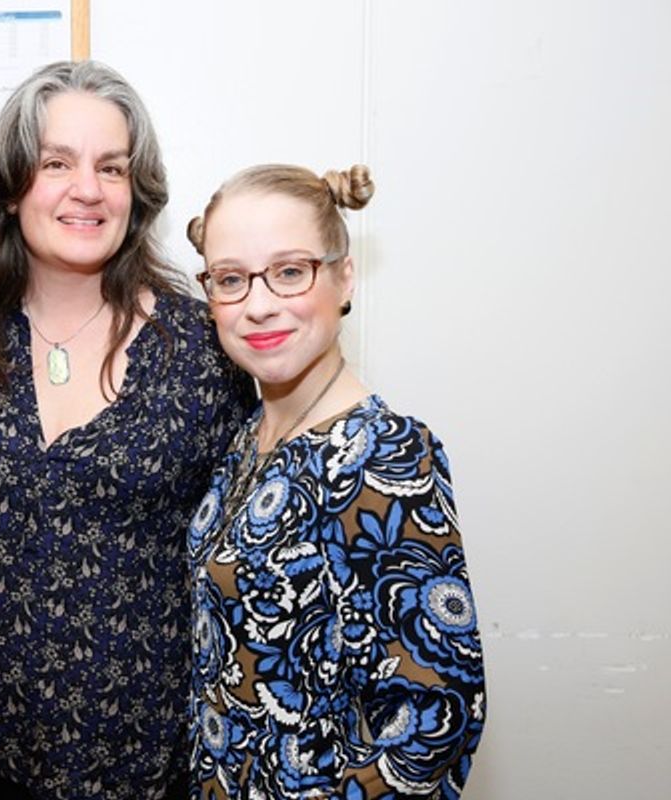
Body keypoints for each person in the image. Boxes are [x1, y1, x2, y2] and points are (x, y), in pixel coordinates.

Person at [0, 60, 255, 799]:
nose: (88, 189)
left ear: (138, 192)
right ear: (12, 187)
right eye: (56, 163)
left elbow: (259, 533)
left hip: (148, 765)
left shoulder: (204, 351)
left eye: (112, 167)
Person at [184, 164, 486, 799]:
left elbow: (437, 718)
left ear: (344, 277)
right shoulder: (252, 435)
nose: (259, 304)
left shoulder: (385, 452)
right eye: (231, 279)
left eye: (290, 271)